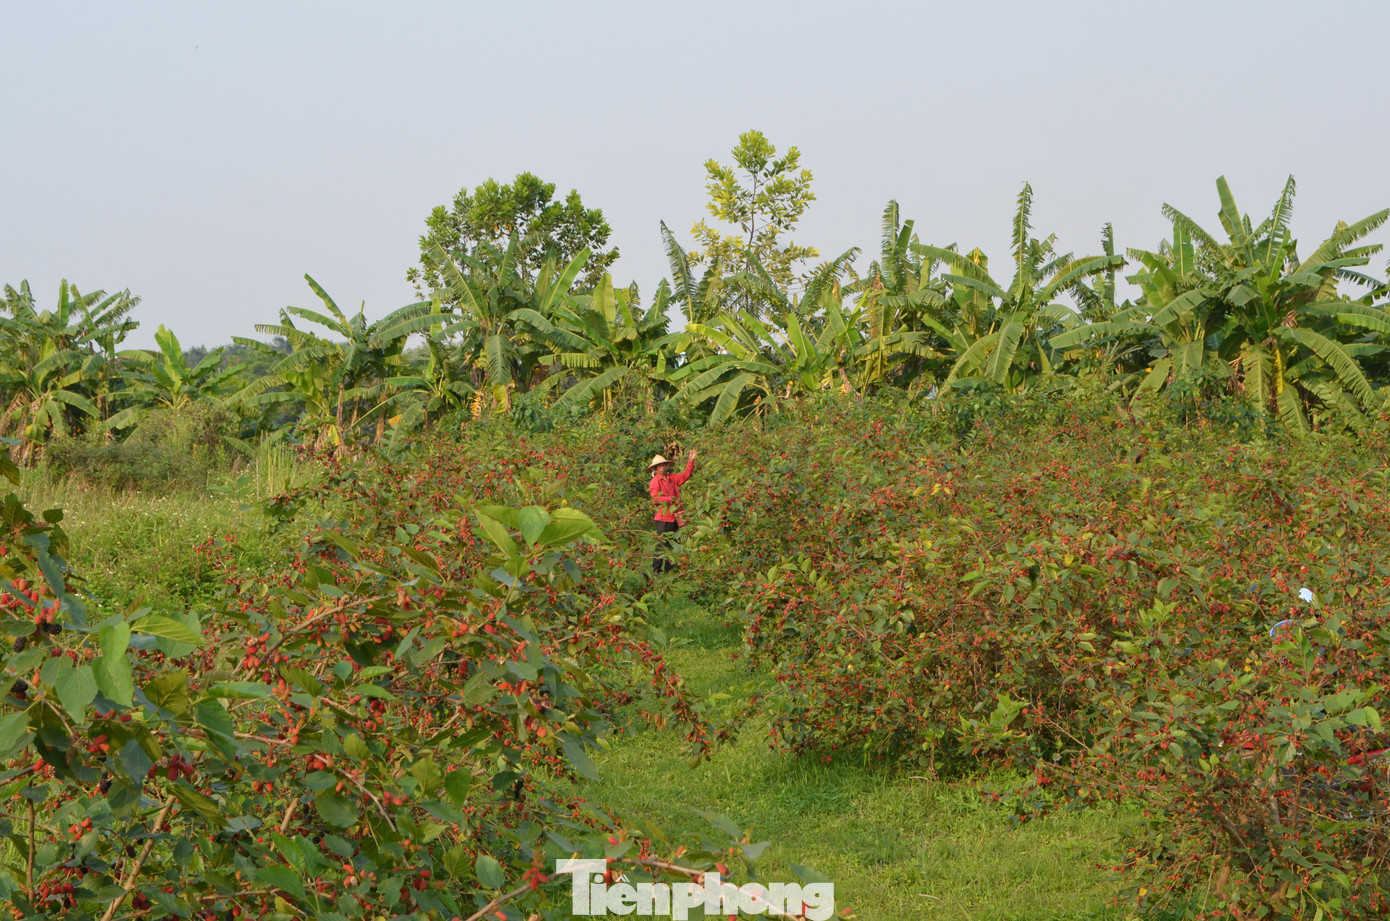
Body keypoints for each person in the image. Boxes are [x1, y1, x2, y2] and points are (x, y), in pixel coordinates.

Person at [648, 449, 697, 574]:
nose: (663, 467)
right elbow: (655, 499)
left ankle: (670, 569)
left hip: (675, 516)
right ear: (655, 469)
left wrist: (690, 461)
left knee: (674, 542)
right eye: (660, 466)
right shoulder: (654, 482)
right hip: (663, 517)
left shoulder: (672, 478)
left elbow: (685, 476)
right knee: (662, 544)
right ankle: (656, 569)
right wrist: (670, 499)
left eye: (664, 465)